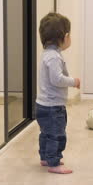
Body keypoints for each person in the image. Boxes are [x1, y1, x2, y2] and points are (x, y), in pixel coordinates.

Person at [35, 12, 80, 174]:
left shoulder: (47, 54)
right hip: (53, 107)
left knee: (46, 133)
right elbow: (57, 79)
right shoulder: (54, 57)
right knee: (56, 134)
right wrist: (73, 81)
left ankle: (45, 157)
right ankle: (54, 163)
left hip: (43, 105)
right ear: (66, 36)